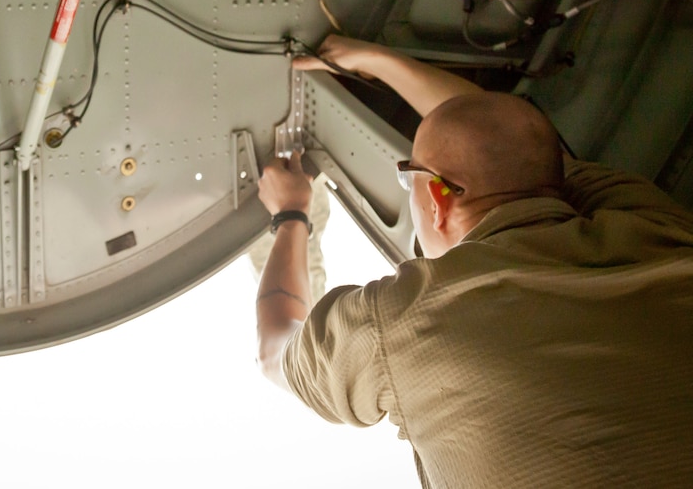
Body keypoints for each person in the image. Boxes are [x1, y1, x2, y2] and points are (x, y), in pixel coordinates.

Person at [254, 34, 693, 488]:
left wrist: (291, 215)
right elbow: (514, 142)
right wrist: (379, 61)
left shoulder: (398, 322)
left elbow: (274, 350)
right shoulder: (655, 227)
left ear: (438, 200)